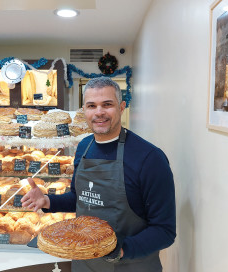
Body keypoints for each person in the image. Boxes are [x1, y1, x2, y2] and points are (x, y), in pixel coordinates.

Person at [21, 76, 176, 272]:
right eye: (92, 106)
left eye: (107, 104)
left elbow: (165, 230)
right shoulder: (84, 147)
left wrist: (120, 250)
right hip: (85, 265)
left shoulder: (149, 158)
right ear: (84, 110)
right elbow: (81, 199)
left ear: (121, 107)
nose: (99, 112)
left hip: (132, 266)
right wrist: (47, 201)